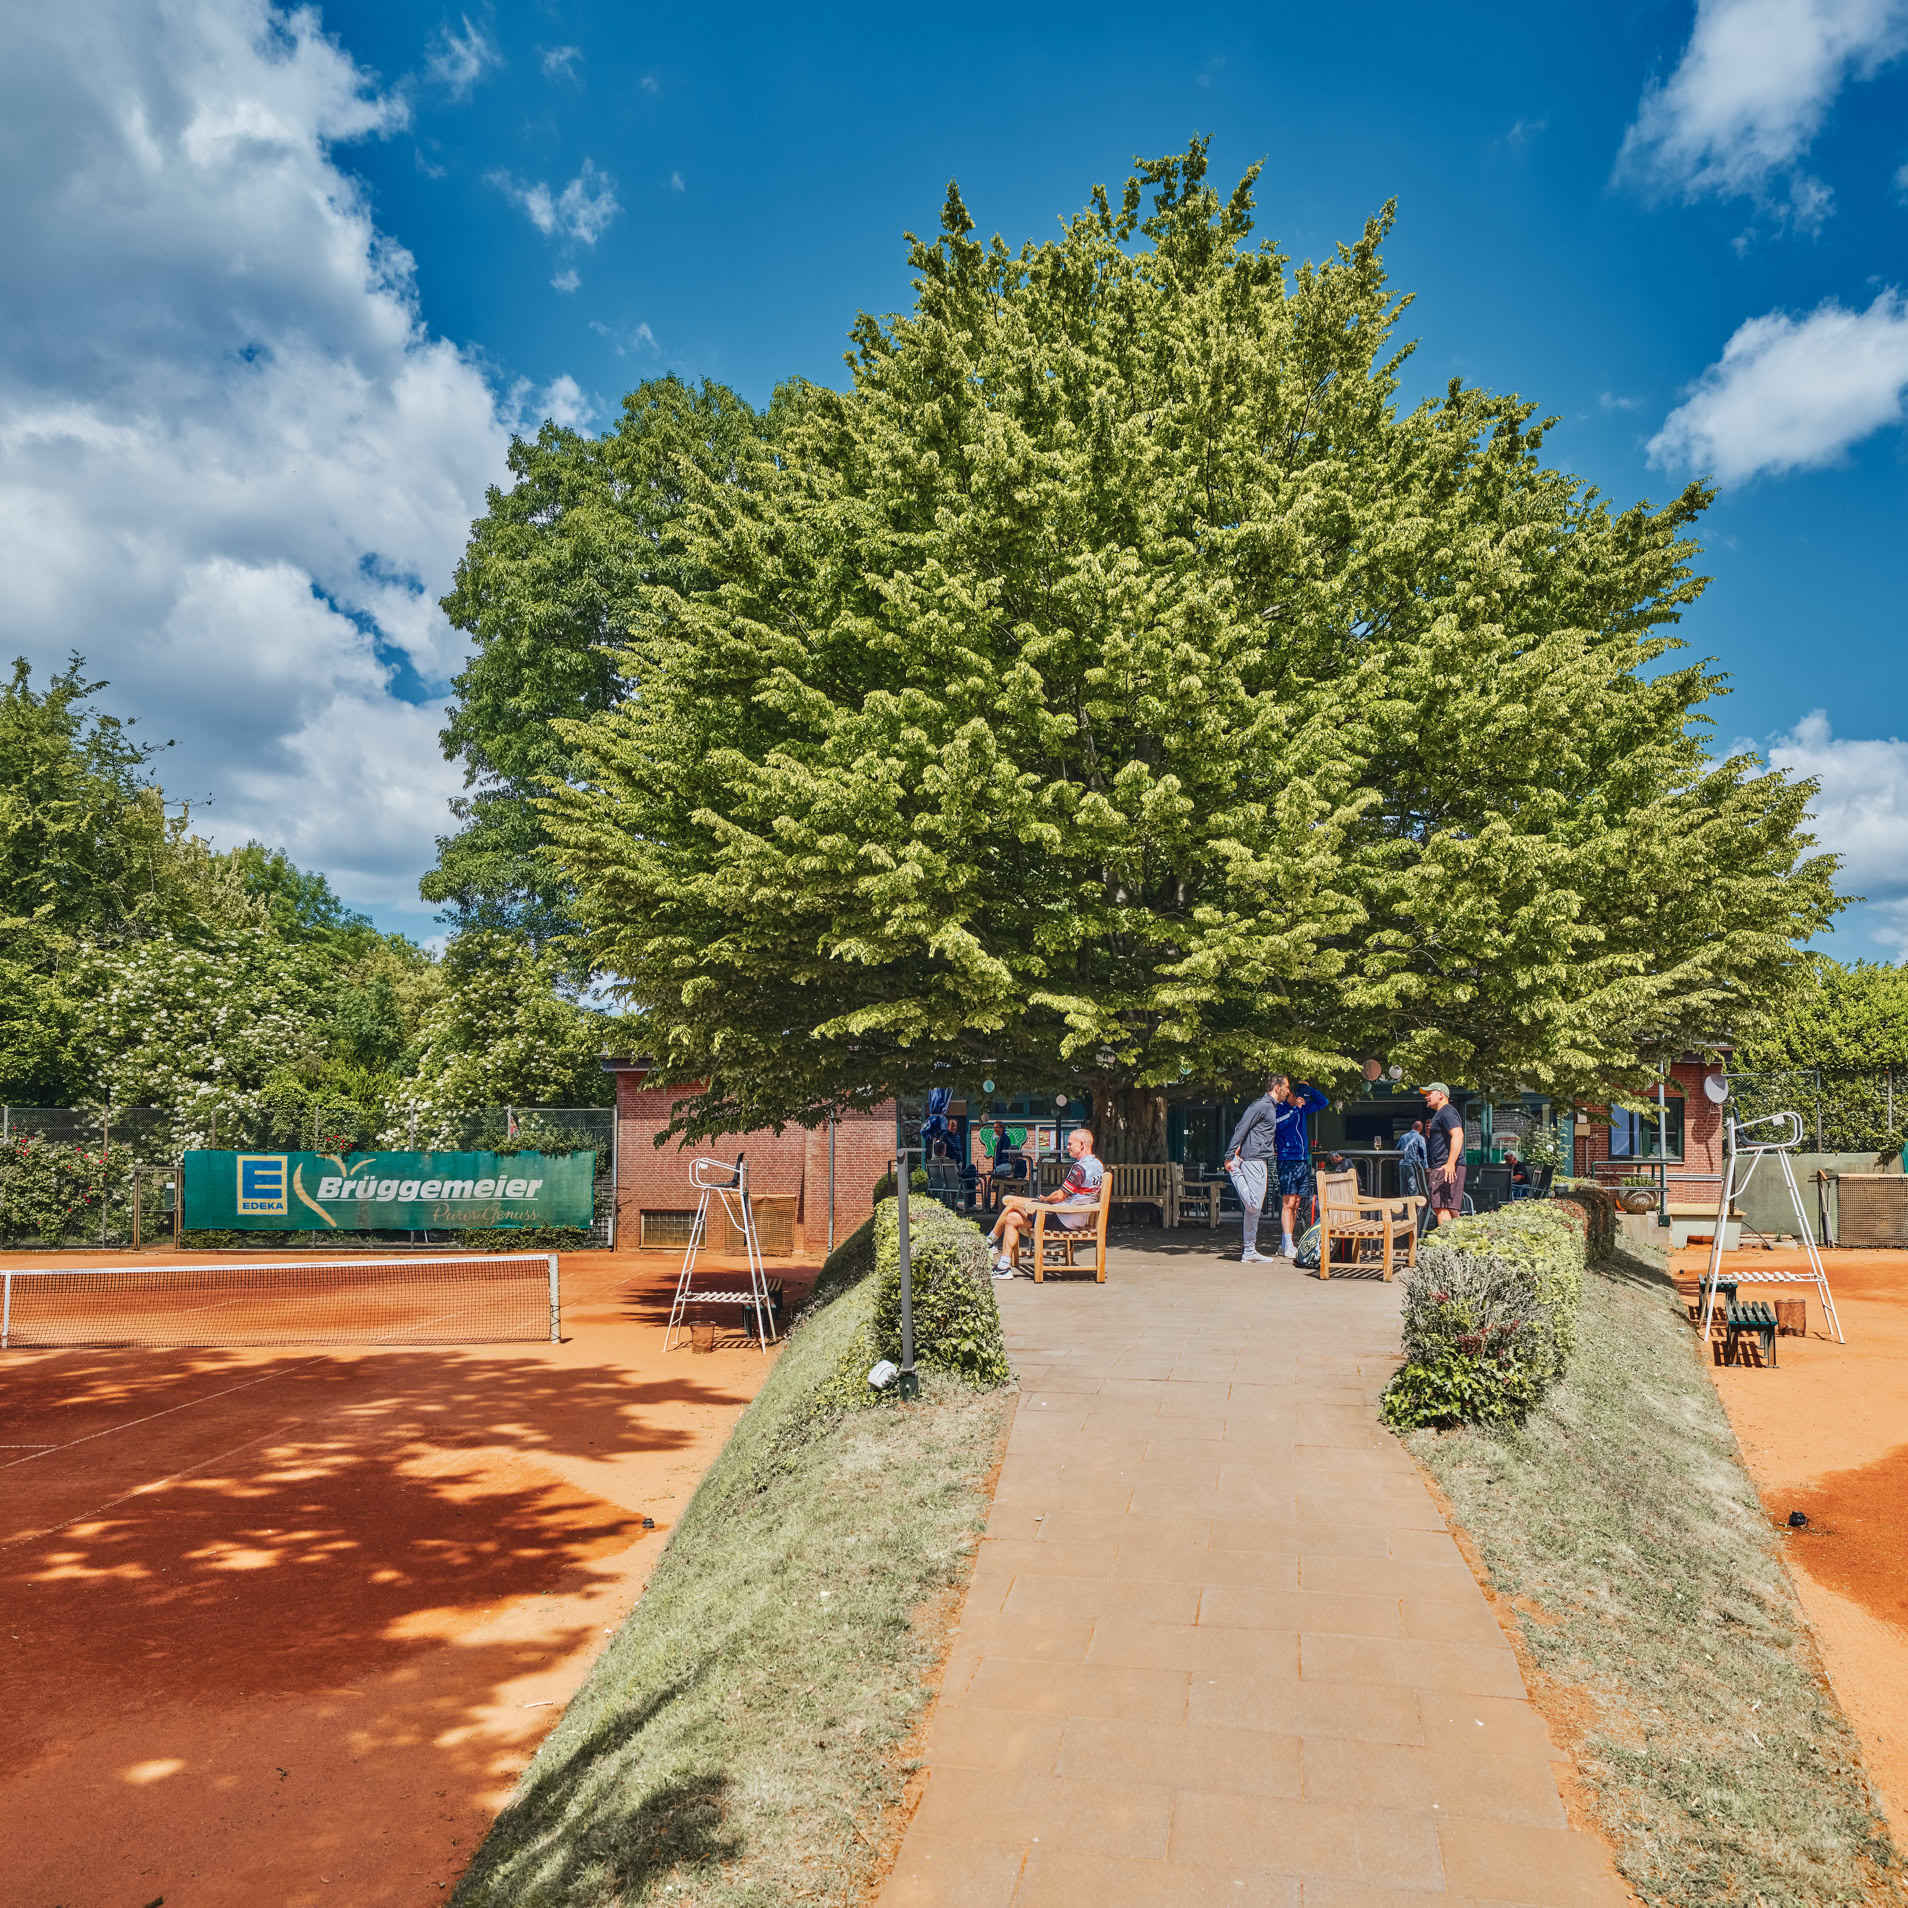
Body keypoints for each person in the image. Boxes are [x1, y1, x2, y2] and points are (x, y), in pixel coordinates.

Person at [1225, 1074, 1329, 1262]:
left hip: (1283, 1159)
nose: (1290, 1091)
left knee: (1267, 1207)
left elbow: (1323, 1102)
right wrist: (1231, 1155)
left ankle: (1251, 1249)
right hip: (1272, 1159)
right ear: (1278, 1088)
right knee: (1260, 1204)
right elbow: (1251, 1127)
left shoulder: (1278, 1107)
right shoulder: (1270, 1108)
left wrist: (1308, 1090)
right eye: (1288, 1088)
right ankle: (1235, 1170)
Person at [987, 1127, 1102, 1277]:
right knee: (1011, 1217)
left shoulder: (1080, 1168)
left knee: (1010, 1202)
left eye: (1070, 1144)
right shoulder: (1098, 1165)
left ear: (1081, 1144)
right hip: (1075, 1217)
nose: (1067, 1148)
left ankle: (989, 1242)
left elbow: (1060, 1195)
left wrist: (1045, 1201)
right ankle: (1003, 1267)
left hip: (1064, 1218)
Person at [1423, 1084, 1466, 1227]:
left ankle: (1446, 1245)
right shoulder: (1443, 1113)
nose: (1426, 1097)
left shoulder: (1446, 1112)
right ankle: (1461, 1240)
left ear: (1441, 1094)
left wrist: (1450, 1163)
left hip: (1445, 1166)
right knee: (1449, 1206)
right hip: (1445, 1165)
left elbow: (1458, 1135)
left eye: (1429, 1093)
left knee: (1440, 1206)